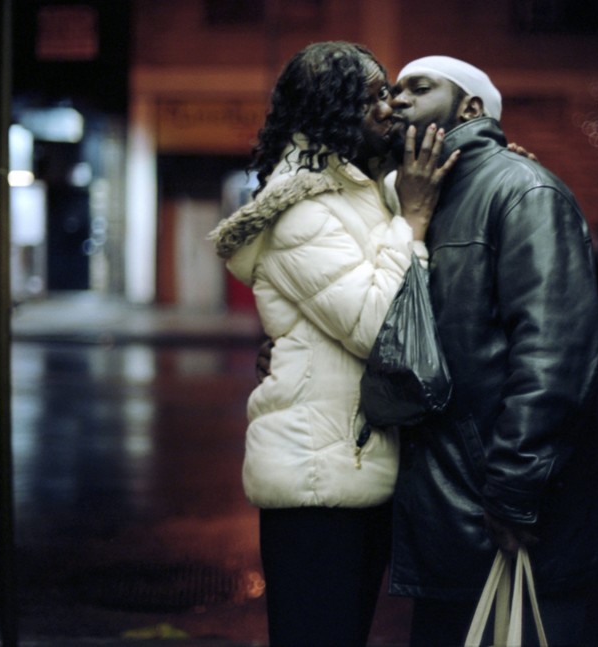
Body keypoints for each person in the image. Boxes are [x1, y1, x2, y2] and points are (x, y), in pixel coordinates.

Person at [383, 56, 598, 646]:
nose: (398, 99)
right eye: (394, 89)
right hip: (451, 505)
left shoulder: (523, 191)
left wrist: (515, 490)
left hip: (508, 504)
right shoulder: (418, 196)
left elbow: (555, 356)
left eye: (419, 87)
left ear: (470, 108)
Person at [206, 42, 457, 646]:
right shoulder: (303, 210)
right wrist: (412, 223)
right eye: (371, 98)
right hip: (315, 485)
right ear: (331, 111)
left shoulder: (357, 190)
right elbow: (378, 326)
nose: (388, 108)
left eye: (388, 93)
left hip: (351, 469)